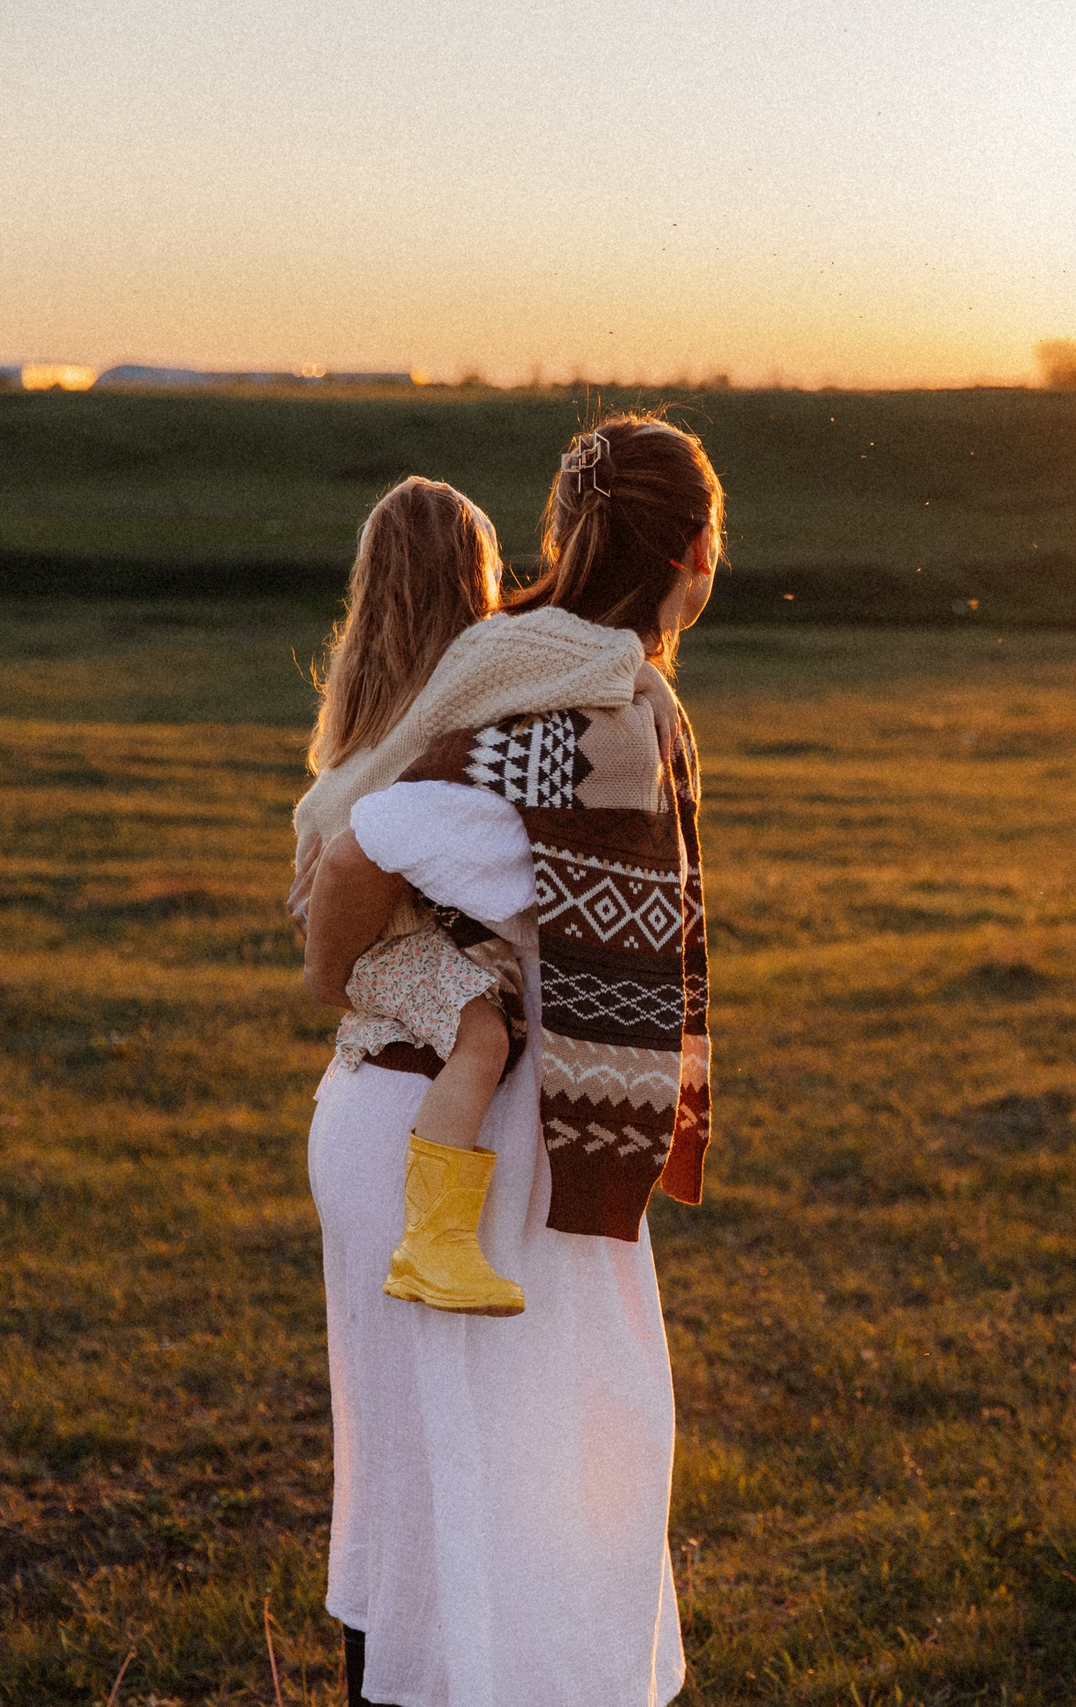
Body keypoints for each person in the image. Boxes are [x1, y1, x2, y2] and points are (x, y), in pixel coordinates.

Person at [298, 415, 722, 1707]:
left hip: (415, 1115)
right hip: (473, 1142)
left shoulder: (525, 673)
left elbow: (378, 811)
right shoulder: (587, 706)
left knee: (442, 1478)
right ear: (697, 557)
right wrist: (338, 959)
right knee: (540, 1478)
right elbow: (375, 835)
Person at [291, 476, 523, 1317]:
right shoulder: (457, 696)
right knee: (483, 1032)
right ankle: (437, 1237)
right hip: (387, 942)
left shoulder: (373, 701)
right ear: (473, 578)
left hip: (386, 940)